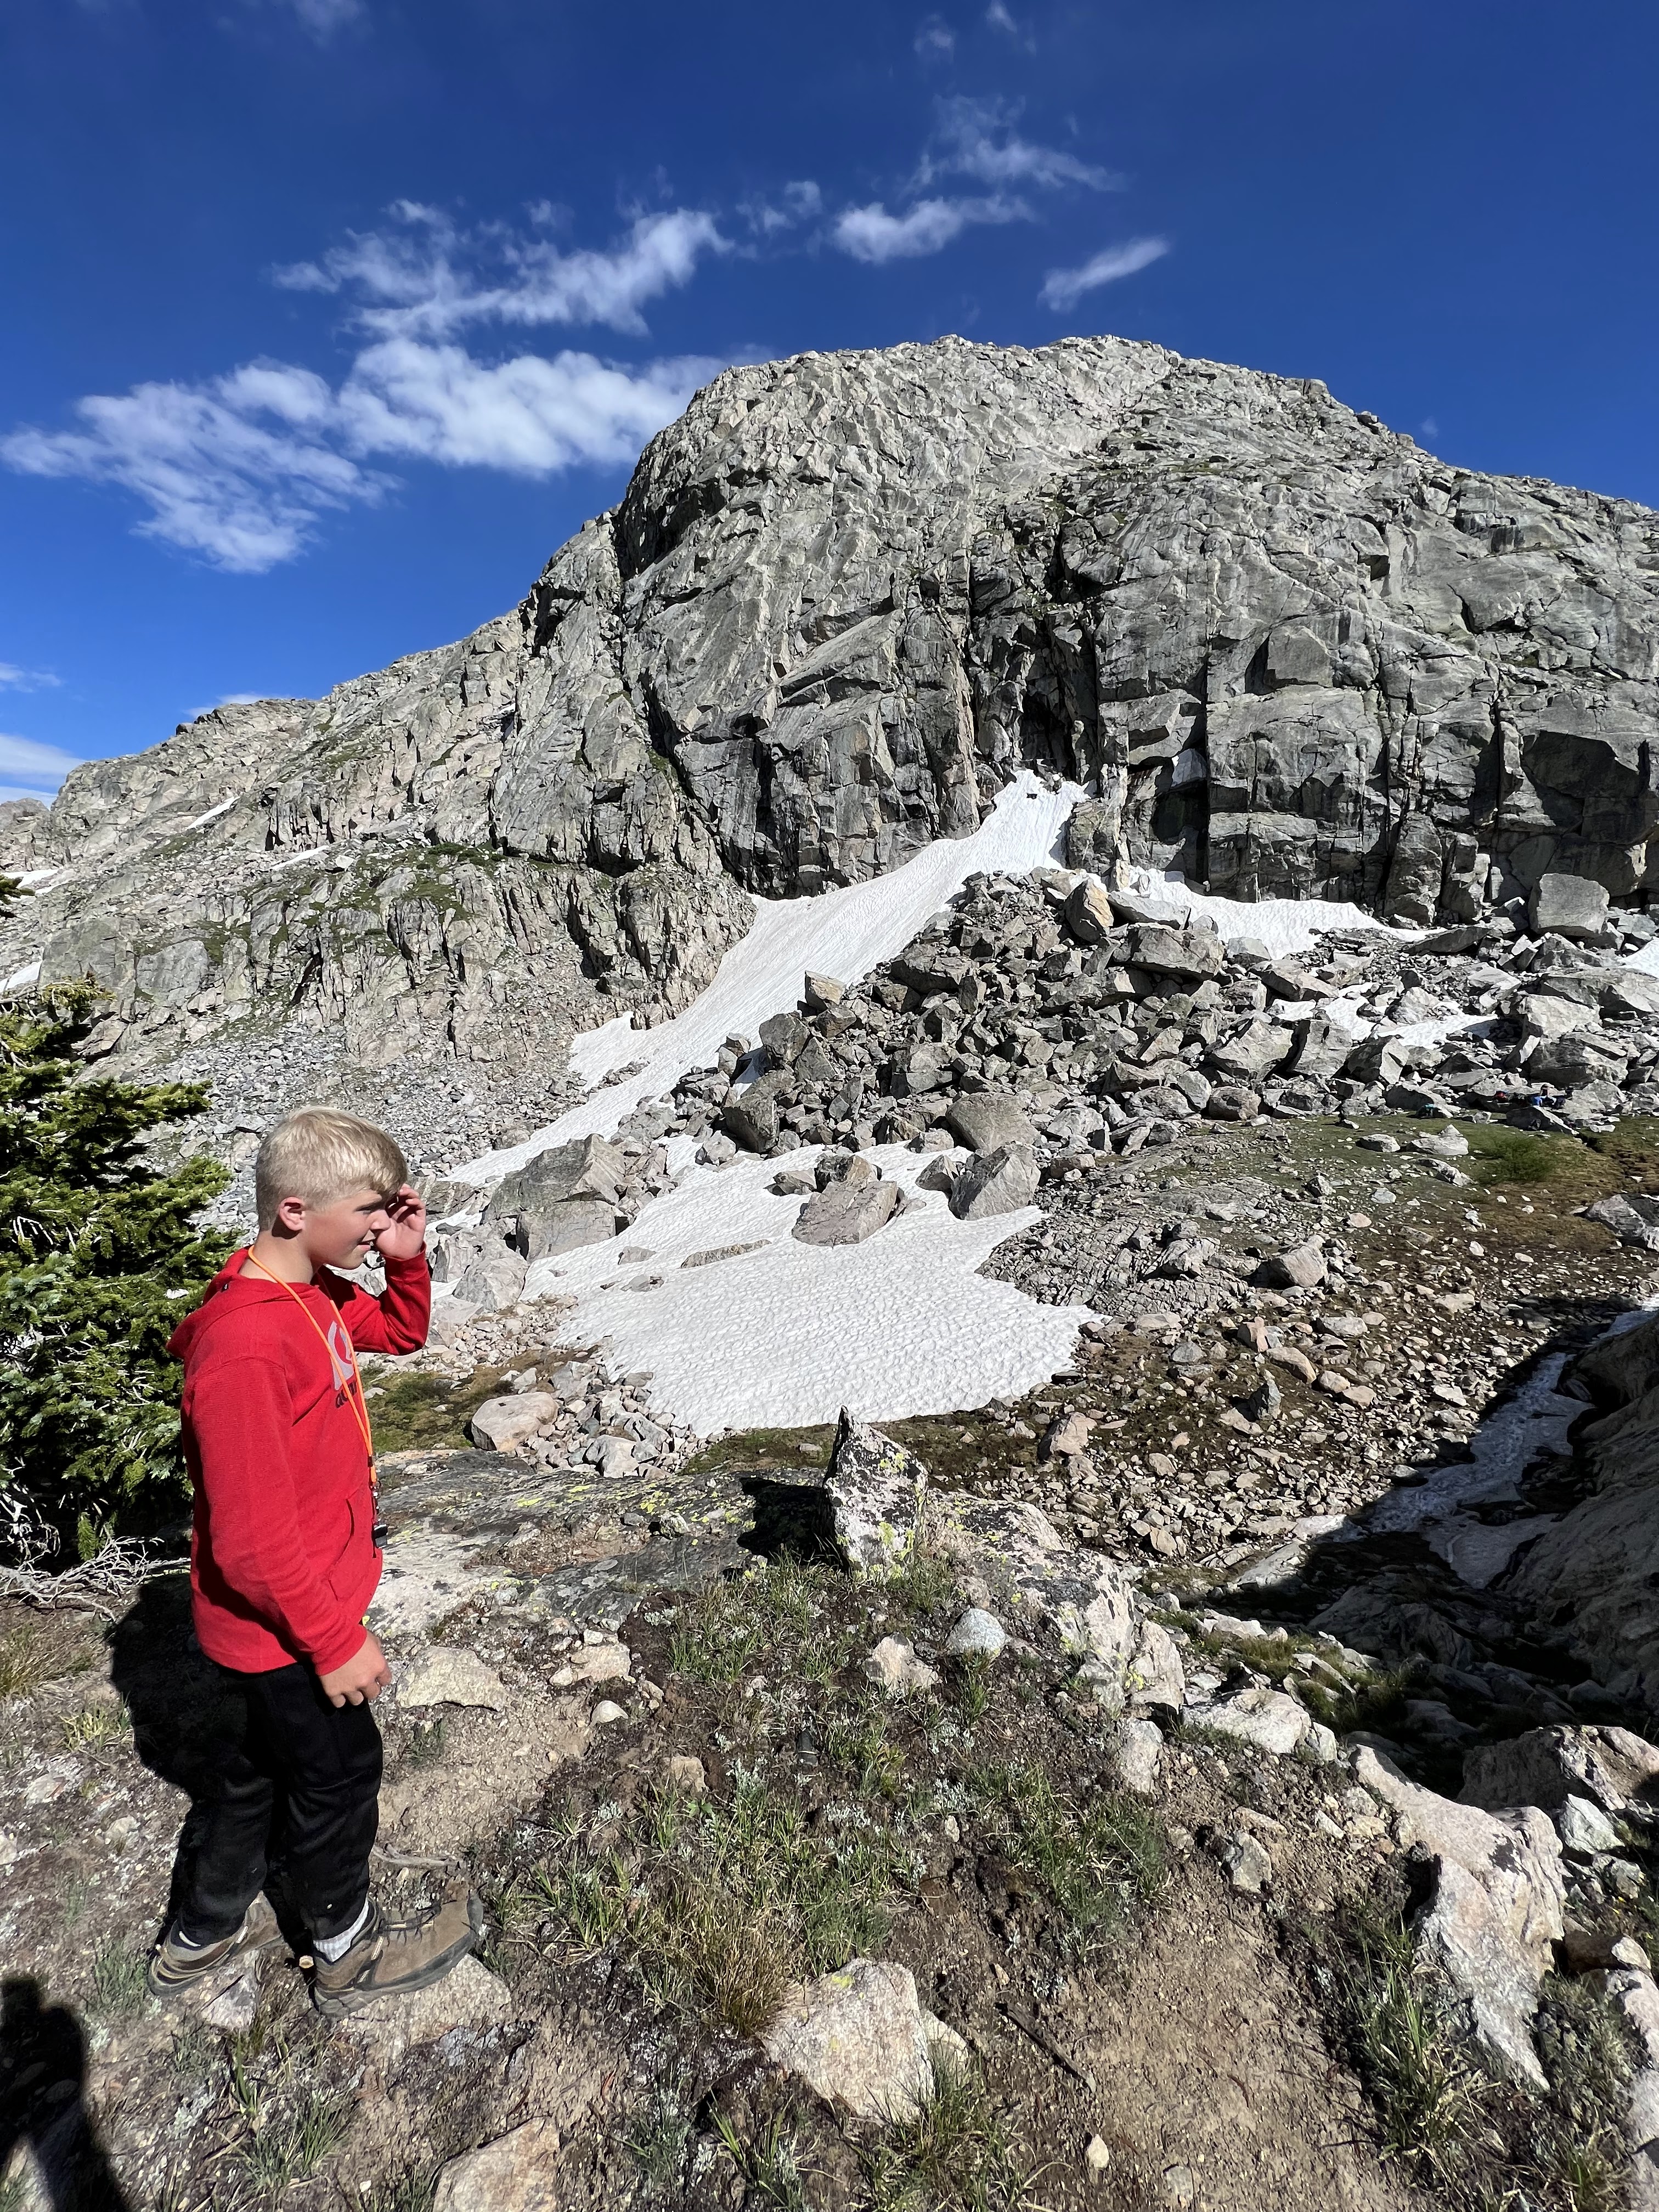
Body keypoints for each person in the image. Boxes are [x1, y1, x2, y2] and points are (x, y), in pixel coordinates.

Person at [147, 1107, 481, 2016]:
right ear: (295, 1212)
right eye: (369, 1212)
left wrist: (405, 1255)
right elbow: (251, 1544)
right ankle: (343, 1947)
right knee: (338, 1773)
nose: (379, 1224)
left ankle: (200, 1934)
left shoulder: (314, 1292)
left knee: (256, 1772)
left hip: (281, 1614)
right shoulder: (248, 1344)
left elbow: (400, 1338)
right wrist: (333, 1641)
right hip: (287, 1626)